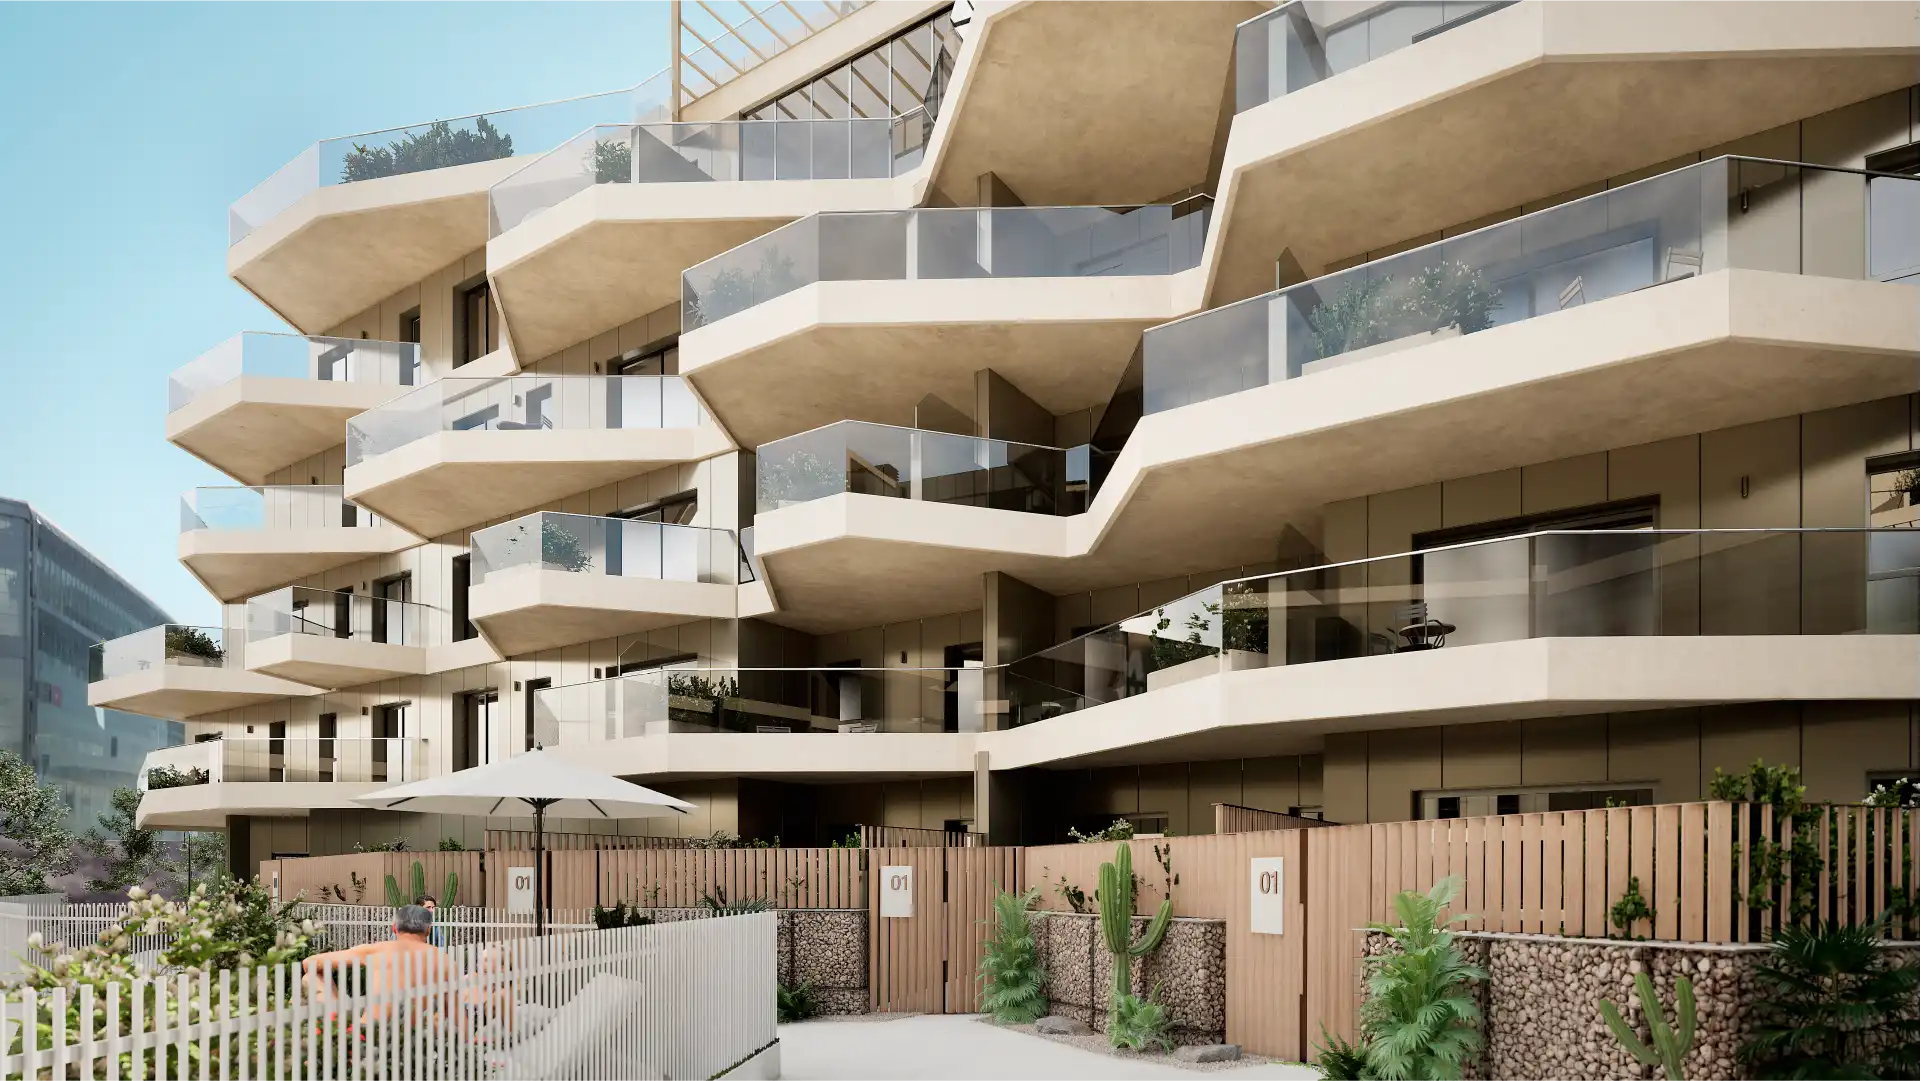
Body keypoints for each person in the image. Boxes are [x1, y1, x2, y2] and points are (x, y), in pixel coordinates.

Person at [302, 905, 457, 1048]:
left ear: (394, 928)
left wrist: (332, 990)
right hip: (409, 1037)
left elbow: (309, 963)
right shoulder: (443, 960)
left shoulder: (376, 950)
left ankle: (330, 1028)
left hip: (367, 1034)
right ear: (428, 930)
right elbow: (454, 1014)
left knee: (310, 978)